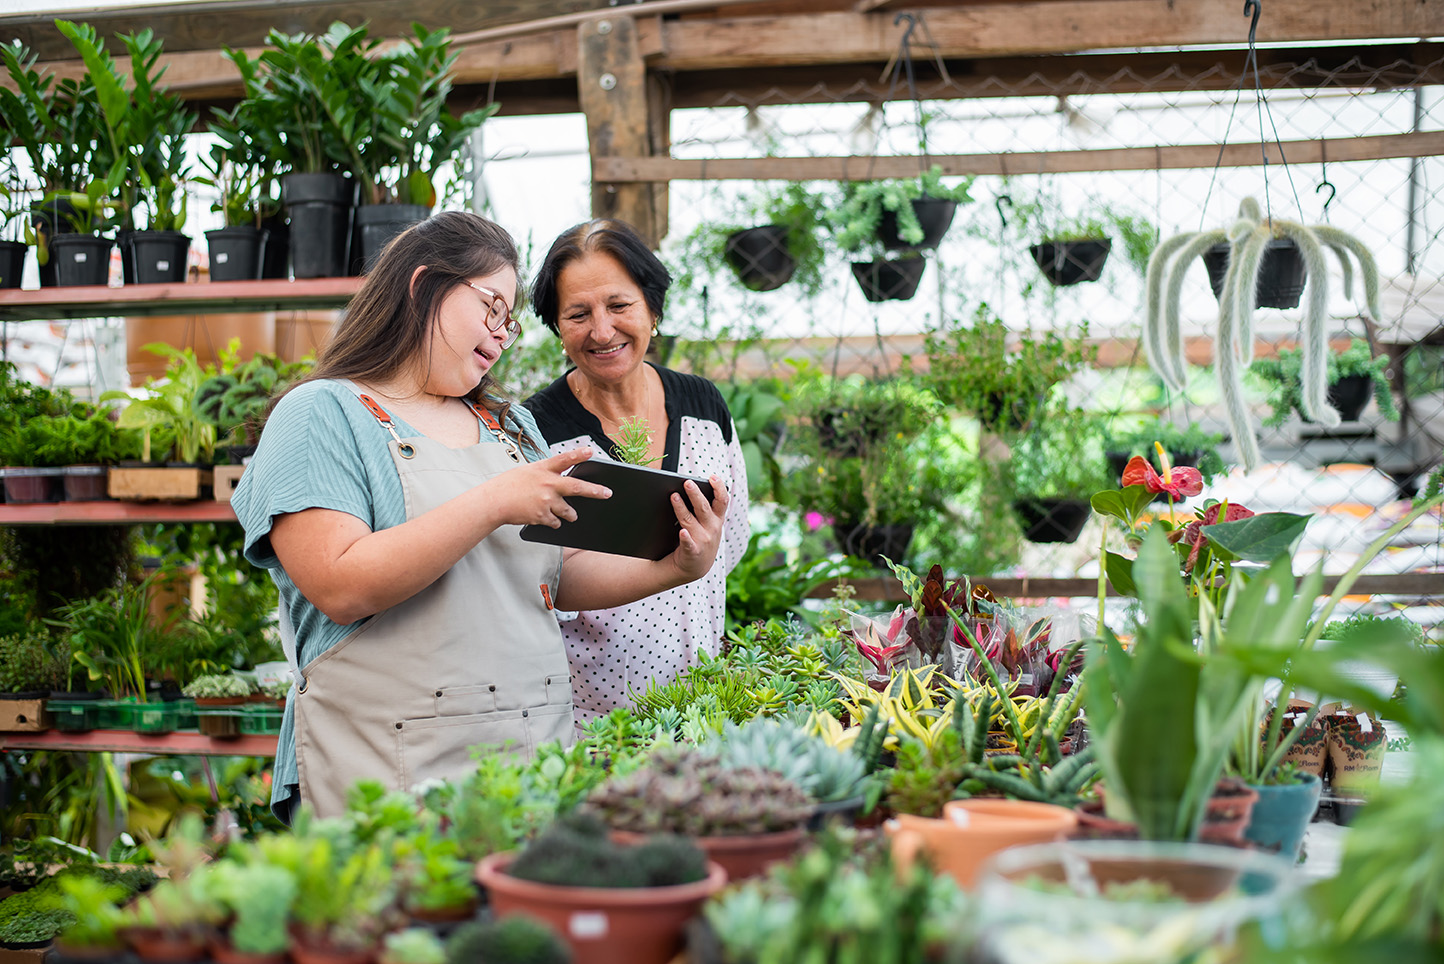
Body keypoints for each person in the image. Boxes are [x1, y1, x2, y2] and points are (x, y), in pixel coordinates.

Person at [230, 212, 728, 821]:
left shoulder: (509, 427)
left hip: (532, 764)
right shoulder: (322, 413)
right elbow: (340, 583)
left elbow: (556, 575)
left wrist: (676, 566)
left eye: (509, 321)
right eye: (491, 306)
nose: (500, 334)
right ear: (423, 286)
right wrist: (494, 501)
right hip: (389, 773)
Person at [524, 219, 751, 724]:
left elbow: (729, 540)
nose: (602, 331)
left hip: (708, 704)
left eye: (620, 306)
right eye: (578, 314)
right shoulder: (536, 432)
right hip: (595, 720)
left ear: (653, 308)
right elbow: (543, 580)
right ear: (557, 328)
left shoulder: (704, 405)